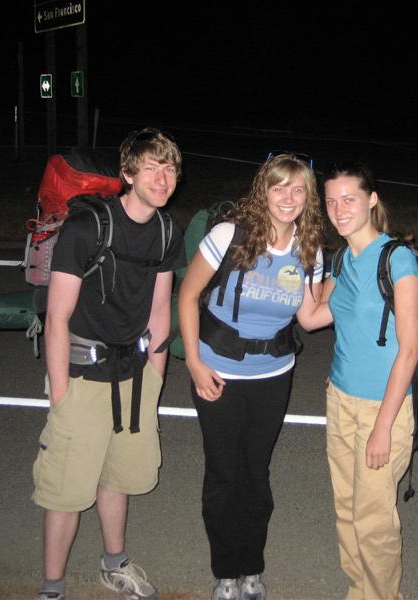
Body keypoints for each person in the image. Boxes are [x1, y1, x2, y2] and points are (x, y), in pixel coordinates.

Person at [31, 128, 186, 600]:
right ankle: (52, 587)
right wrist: (61, 394)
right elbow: (57, 318)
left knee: (118, 476)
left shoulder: (167, 232)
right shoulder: (87, 228)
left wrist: (155, 376)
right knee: (66, 490)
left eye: (169, 168)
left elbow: (160, 310)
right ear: (128, 174)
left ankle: (114, 564)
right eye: (151, 167)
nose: (162, 178)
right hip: (81, 374)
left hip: (135, 376)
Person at [178, 153, 324, 600]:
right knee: (224, 473)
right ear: (264, 189)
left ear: (309, 197)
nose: (289, 197)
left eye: (299, 189)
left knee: (256, 474)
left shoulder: (309, 249)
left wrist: (353, 283)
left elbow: (311, 318)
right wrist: (194, 363)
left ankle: (251, 568)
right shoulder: (230, 235)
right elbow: (188, 295)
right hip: (217, 371)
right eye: (280, 187)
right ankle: (226, 572)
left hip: (274, 374)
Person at [300, 161, 418, 600]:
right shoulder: (340, 260)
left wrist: (383, 427)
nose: (339, 209)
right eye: (331, 201)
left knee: (374, 520)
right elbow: (312, 318)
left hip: (381, 408)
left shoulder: (397, 259)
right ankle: (360, 589)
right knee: (348, 510)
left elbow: (409, 351)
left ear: (372, 200)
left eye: (349, 199)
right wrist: (303, 263)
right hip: (339, 398)